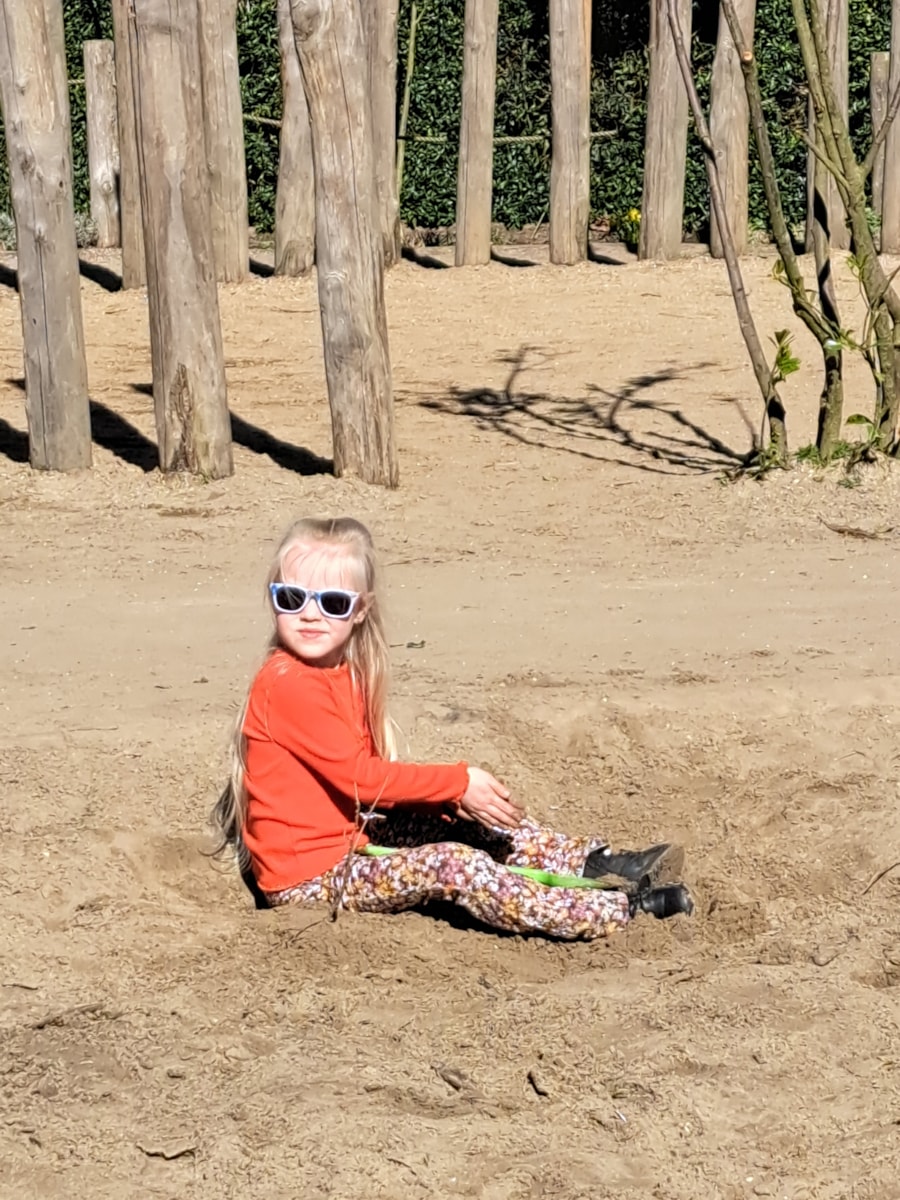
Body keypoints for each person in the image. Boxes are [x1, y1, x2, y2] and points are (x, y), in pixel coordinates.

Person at [212, 517, 693, 940]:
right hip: (311, 880)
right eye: (291, 598)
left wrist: (446, 799)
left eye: (333, 602)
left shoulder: (343, 673)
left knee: (463, 819)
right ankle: (617, 910)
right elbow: (361, 780)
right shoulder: (288, 683)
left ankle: (594, 864)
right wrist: (457, 782)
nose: (310, 614)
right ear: (272, 600)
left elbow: (363, 786)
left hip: (351, 840)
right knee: (455, 865)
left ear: (360, 610)